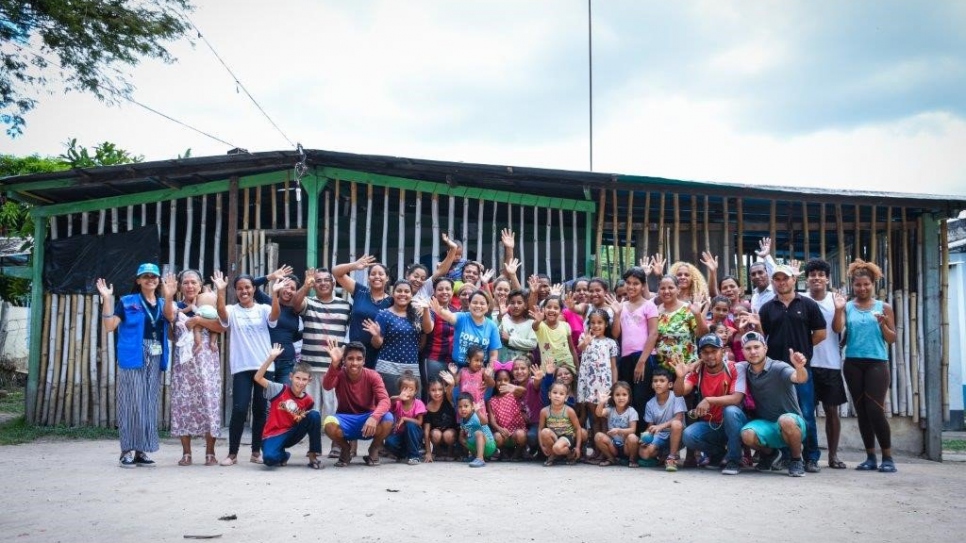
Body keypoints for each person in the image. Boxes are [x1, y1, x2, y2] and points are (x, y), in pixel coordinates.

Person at [749, 264, 827, 473]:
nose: (781, 282)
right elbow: (764, 336)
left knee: (807, 413)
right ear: (773, 282)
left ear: (794, 280)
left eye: (785, 278)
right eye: (777, 279)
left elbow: (820, 333)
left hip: (800, 369)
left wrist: (803, 349)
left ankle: (811, 457)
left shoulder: (808, 305)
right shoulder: (767, 308)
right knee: (779, 414)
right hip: (775, 373)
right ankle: (787, 456)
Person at [97, 263, 169, 468]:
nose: (150, 279)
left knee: (148, 402)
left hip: (155, 355)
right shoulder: (127, 302)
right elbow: (110, 326)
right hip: (133, 356)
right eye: (145, 276)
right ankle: (126, 450)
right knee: (131, 402)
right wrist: (107, 299)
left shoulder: (164, 303)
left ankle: (141, 450)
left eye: (154, 276)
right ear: (138, 280)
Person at [212, 270, 278, 466]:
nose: (244, 291)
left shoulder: (264, 309)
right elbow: (221, 314)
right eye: (240, 288)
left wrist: (274, 293)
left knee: (260, 410)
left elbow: (275, 315)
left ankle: (256, 452)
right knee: (239, 409)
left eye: (247, 287)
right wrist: (220, 291)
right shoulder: (232, 310)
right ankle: (232, 454)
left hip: (264, 366)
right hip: (242, 367)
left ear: (254, 289)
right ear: (236, 291)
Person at [162, 271, 224, 467]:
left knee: (210, 404)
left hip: (207, 363)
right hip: (184, 365)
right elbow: (169, 317)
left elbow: (221, 326)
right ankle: (186, 453)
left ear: (200, 285)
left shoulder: (208, 305)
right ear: (180, 286)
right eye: (186, 283)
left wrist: (197, 321)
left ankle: (210, 453)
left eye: (193, 282)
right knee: (183, 406)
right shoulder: (175, 306)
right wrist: (169, 295)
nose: (189, 286)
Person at [290, 267, 351, 457]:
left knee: (334, 409)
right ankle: (314, 448)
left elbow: (351, 333)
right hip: (310, 368)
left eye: (327, 280)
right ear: (314, 284)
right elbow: (295, 305)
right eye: (318, 280)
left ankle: (336, 445)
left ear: (334, 284)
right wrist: (305, 287)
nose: (323, 283)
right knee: (312, 411)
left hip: (334, 369)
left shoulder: (345, 306)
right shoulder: (309, 302)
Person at [844, 259, 898, 473]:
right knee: (862, 410)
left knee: (875, 409)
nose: (862, 288)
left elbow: (892, 339)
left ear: (873, 284)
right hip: (853, 363)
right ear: (853, 285)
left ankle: (888, 456)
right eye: (858, 285)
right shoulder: (847, 307)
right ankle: (870, 457)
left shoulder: (884, 307)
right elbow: (841, 330)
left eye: (866, 284)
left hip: (877, 362)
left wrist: (883, 324)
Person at [738, 331, 811, 477]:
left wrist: (799, 367)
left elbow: (800, 379)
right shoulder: (743, 368)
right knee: (746, 434)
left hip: (792, 423)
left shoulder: (779, 367)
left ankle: (796, 459)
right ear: (743, 352)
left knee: (786, 420)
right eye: (748, 348)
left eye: (756, 347)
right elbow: (721, 366)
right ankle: (771, 454)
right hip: (766, 425)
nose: (753, 352)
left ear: (765, 348)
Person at [675, 334, 748, 475]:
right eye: (705, 352)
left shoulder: (734, 368)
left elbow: (736, 398)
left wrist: (709, 400)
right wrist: (679, 377)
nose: (710, 356)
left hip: (734, 424)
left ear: (723, 351)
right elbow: (680, 392)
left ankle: (734, 459)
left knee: (731, 411)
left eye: (714, 351)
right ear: (700, 355)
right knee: (689, 435)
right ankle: (719, 455)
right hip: (712, 424)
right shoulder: (698, 370)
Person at [802, 259, 849, 469]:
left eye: (821, 274)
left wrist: (839, 309)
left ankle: (833, 455)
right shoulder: (800, 299)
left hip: (830, 363)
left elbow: (838, 330)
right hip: (805, 364)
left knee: (832, 411)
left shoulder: (836, 299)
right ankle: (807, 455)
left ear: (827, 278)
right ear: (807, 279)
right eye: (812, 274)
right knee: (806, 411)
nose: (816, 278)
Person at [322, 340, 394, 467]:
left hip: (368, 419)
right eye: (350, 358)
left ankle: (373, 449)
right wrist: (334, 364)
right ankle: (345, 449)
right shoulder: (339, 373)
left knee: (388, 418)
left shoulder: (373, 375)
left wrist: (374, 417)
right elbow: (327, 386)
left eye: (359, 359)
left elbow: (385, 400)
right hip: (346, 419)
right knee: (328, 423)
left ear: (364, 361)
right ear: (344, 360)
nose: (354, 363)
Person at [256, 344, 322, 469]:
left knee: (314, 415)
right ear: (291, 377)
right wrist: (271, 358)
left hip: (291, 434)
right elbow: (258, 378)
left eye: (304, 379)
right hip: (273, 434)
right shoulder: (278, 389)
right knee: (269, 459)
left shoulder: (308, 400)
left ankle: (313, 456)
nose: (300, 382)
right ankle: (283, 455)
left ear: (309, 380)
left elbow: (305, 422)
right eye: (297, 378)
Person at [367, 280, 434, 397]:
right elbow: (376, 344)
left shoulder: (418, 314)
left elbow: (427, 330)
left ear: (411, 295)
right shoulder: (384, 315)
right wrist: (376, 336)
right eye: (399, 291)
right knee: (387, 406)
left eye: (406, 291)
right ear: (393, 294)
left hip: (411, 369)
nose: (403, 294)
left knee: (411, 407)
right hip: (387, 369)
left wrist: (426, 308)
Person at [611, 266, 659, 420]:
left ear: (643, 285)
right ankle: (629, 435)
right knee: (627, 397)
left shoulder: (649, 305)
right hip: (625, 358)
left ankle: (642, 436)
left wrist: (642, 361)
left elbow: (653, 334)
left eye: (636, 283)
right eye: (628, 283)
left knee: (641, 397)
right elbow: (615, 334)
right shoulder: (621, 306)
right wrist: (617, 315)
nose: (631, 286)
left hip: (644, 357)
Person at [333, 255, 393, 368]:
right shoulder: (360, 292)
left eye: (381, 274)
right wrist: (354, 265)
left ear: (387, 278)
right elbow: (336, 272)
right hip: (354, 353)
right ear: (368, 278)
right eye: (373, 274)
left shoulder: (391, 301)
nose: (377, 276)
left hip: (378, 354)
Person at [576, 309, 619, 458]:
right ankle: (596, 449)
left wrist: (614, 385)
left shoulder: (611, 343)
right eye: (593, 323)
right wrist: (585, 342)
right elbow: (579, 349)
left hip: (604, 385)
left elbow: (613, 366)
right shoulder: (584, 337)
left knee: (604, 417)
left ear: (606, 324)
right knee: (593, 417)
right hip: (589, 384)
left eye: (599, 322)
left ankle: (604, 449)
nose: (596, 325)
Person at [655, 275, 709, 378]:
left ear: (678, 289)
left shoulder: (688, 309)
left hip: (687, 368)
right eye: (662, 288)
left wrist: (697, 315)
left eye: (670, 287)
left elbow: (702, 334)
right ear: (658, 291)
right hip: (662, 372)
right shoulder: (655, 311)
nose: (666, 291)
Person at [429, 290, 502, 367]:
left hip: (479, 370)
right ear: (469, 305)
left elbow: (493, 354)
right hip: (457, 368)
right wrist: (440, 311)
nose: (478, 306)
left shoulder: (492, 326)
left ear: (487, 307)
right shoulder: (462, 317)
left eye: (482, 303)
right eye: (475, 302)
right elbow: (450, 316)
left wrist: (490, 369)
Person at [639, 368, 686, 471]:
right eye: (655, 381)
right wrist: (644, 438)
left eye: (661, 381)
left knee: (676, 424)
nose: (658, 384)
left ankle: (671, 458)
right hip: (660, 435)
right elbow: (650, 426)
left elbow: (679, 418)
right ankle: (662, 455)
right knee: (644, 453)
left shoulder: (677, 397)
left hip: (677, 434)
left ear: (670, 385)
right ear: (652, 385)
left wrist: (660, 426)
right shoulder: (650, 404)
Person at [422, 277, 458, 398]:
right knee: (433, 393)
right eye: (440, 289)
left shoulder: (455, 311)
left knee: (449, 393)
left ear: (452, 292)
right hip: (434, 359)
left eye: (448, 289)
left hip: (452, 362)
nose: (444, 292)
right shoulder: (430, 309)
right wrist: (426, 309)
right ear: (434, 292)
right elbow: (428, 329)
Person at [383, 372, 427, 465]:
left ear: (415, 391)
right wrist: (399, 397)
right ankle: (403, 455)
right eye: (405, 388)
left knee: (410, 425)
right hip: (400, 434)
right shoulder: (398, 403)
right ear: (400, 389)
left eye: (411, 389)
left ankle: (414, 456)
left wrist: (405, 418)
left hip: (414, 435)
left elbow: (419, 422)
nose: (408, 392)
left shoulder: (418, 403)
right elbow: (390, 401)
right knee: (389, 443)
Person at [486, 364, 528, 460]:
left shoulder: (514, 395)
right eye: (499, 380)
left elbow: (524, 391)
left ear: (510, 381)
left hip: (515, 433)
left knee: (521, 435)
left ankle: (517, 453)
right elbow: (492, 421)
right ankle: (503, 452)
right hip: (502, 433)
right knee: (496, 436)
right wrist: (499, 429)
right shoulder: (491, 400)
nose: (502, 382)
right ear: (495, 382)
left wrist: (514, 388)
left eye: (506, 380)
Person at [593, 382, 640, 467]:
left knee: (632, 437)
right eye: (617, 395)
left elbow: (633, 430)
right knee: (598, 436)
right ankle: (611, 458)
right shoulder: (610, 410)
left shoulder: (631, 411)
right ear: (613, 397)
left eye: (624, 395)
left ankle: (632, 459)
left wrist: (618, 430)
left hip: (626, 446)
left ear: (629, 397)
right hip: (613, 445)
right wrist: (601, 402)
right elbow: (599, 414)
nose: (621, 397)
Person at [539, 381, 582, 466]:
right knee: (544, 432)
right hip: (554, 436)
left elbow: (577, 428)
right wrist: (542, 445)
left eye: (561, 394)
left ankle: (569, 454)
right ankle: (553, 455)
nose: (557, 396)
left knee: (557, 447)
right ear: (549, 395)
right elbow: (540, 428)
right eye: (554, 392)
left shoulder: (569, 411)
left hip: (567, 436)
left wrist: (577, 447)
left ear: (566, 398)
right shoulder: (544, 411)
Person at [530, 295, 577, 372]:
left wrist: (577, 368)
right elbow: (534, 326)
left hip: (568, 369)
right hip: (548, 370)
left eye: (556, 308)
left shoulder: (565, 325)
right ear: (544, 309)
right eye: (549, 307)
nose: (552, 310)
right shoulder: (540, 326)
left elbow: (572, 349)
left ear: (561, 310)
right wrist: (538, 321)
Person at [446, 346, 495, 419]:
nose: (479, 363)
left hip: (478, 406)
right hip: (464, 406)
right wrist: (454, 374)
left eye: (481, 361)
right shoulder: (462, 371)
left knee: (479, 425)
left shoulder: (482, 371)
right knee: (465, 427)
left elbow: (492, 384)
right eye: (476, 360)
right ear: (469, 360)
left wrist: (488, 377)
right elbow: (455, 383)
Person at [423, 375, 459, 462]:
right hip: (437, 435)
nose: (437, 393)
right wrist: (428, 452)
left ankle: (451, 451)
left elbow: (450, 391)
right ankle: (437, 451)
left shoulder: (448, 399)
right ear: (428, 391)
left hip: (451, 434)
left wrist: (451, 384)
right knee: (435, 434)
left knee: (448, 435)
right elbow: (426, 431)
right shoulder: (427, 408)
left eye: (440, 389)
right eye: (433, 390)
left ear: (443, 390)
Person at [458, 392, 497, 467]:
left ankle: (480, 459)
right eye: (460, 407)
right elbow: (461, 436)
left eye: (466, 406)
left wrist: (478, 412)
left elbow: (485, 422)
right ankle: (475, 455)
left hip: (489, 445)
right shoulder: (462, 421)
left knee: (478, 433)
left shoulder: (475, 416)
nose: (463, 409)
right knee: (463, 438)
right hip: (478, 446)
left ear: (472, 406)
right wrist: (463, 440)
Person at [498, 289, 537, 361]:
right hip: (504, 365)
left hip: (522, 367)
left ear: (525, 305)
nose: (516, 306)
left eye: (519, 303)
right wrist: (500, 317)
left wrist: (510, 339)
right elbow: (496, 335)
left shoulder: (531, 323)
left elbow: (533, 344)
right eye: (512, 303)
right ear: (508, 305)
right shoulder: (504, 320)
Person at [749, 237, 777, 313]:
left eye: (760, 272)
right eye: (753, 274)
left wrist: (766, 256)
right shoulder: (755, 297)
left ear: (768, 273)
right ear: (750, 278)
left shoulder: (776, 291)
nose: (757, 276)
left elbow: (776, 274)